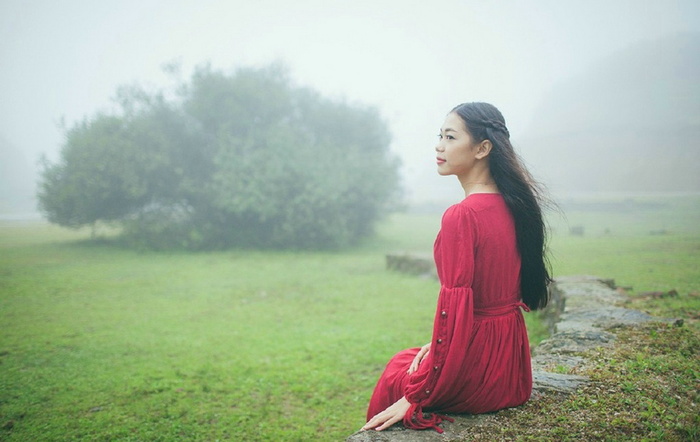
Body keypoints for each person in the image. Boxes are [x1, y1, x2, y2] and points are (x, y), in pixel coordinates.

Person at [361, 102, 552, 433]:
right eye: (440, 136)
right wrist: (435, 346)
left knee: (397, 374)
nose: (439, 145)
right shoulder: (515, 205)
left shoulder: (462, 216)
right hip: (512, 370)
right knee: (411, 356)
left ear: (482, 148)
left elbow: (458, 307)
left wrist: (415, 395)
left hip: (479, 370)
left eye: (450, 137)